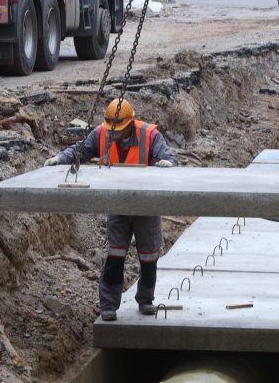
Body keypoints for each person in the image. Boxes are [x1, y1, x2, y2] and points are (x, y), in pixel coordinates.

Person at [44, 98, 178, 321]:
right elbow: (80, 150)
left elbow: (169, 157)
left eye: (119, 130)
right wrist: (60, 158)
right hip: (117, 202)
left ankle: (146, 299)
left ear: (130, 123)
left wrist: (168, 164)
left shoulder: (149, 135)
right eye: (112, 130)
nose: (114, 134)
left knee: (148, 255)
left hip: (146, 203)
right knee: (114, 256)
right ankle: (108, 306)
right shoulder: (102, 133)